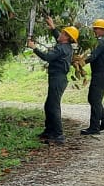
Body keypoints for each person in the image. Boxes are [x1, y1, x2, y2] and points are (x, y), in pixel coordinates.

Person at [27, 15, 77, 145]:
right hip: (58, 78)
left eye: (63, 33)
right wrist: (53, 27)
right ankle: (49, 131)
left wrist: (34, 48)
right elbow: (58, 38)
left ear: (67, 38)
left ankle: (58, 135)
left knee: (53, 107)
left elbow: (47, 57)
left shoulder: (61, 48)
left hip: (58, 79)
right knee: (49, 105)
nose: (60, 34)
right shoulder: (65, 46)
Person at [80, 19, 104, 136]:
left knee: (94, 99)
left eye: (96, 28)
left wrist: (80, 62)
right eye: (94, 28)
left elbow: (93, 56)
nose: (94, 30)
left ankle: (94, 127)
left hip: (100, 74)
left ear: (103, 30)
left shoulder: (100, 42)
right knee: (95, 99)